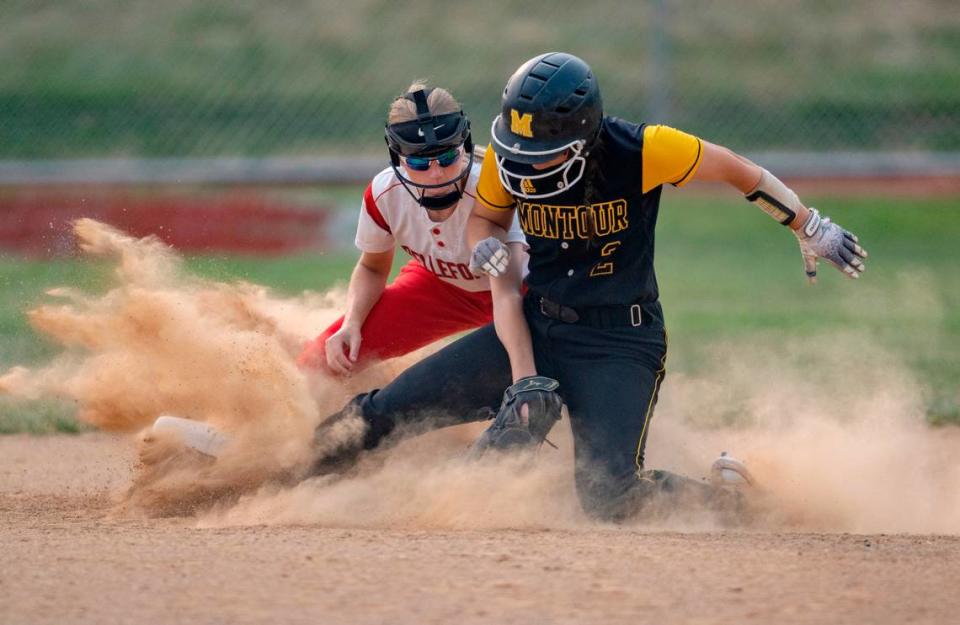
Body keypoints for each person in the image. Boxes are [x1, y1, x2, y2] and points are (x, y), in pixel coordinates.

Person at [295, 83, 526, 376]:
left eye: (447, 158)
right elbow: (373, 268)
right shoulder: (385, 194)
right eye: (418, 162)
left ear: (464, 147)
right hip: (442, 290)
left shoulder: (494, 186)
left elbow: (513, 286)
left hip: (523, 288)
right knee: (321, 361)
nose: (436, 173)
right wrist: (351, 324)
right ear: (398, 159)